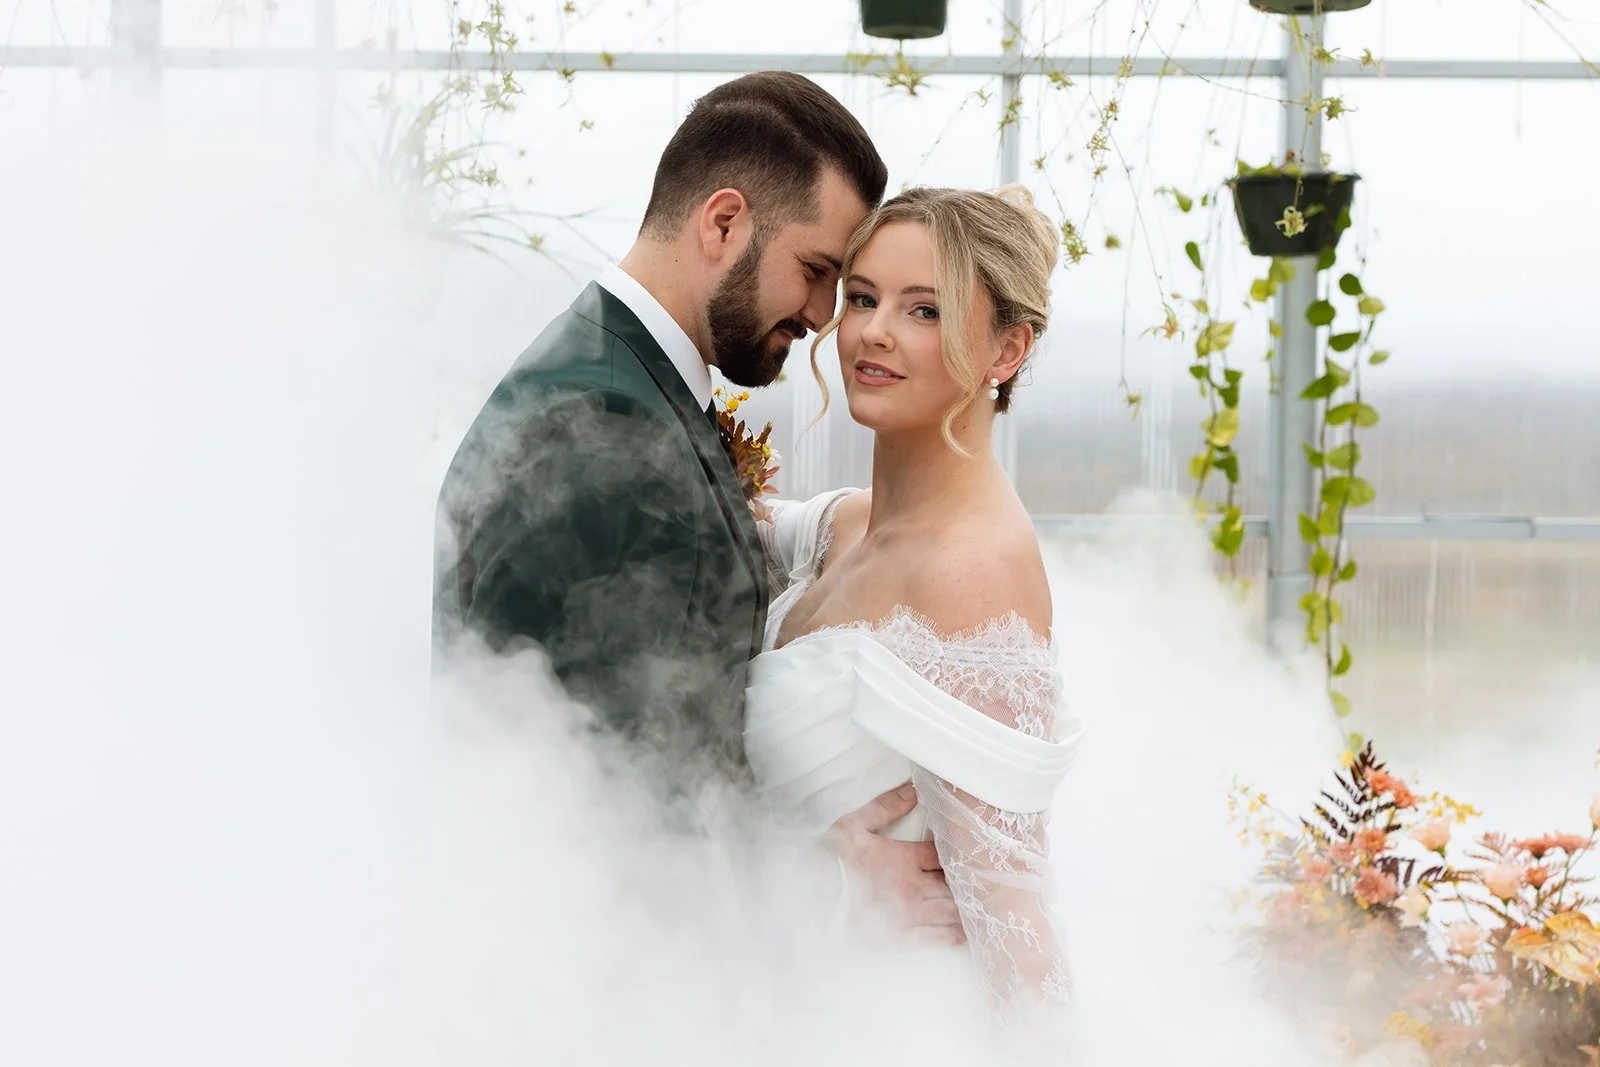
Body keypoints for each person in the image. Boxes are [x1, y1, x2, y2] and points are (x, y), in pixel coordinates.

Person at [432, 72, 963, 941]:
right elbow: (610, 807)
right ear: (723, 223)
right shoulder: (603, 432)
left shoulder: (621, 381)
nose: (827, 316)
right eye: (817, 271)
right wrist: (839, 882)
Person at [745, 185, 1085, 1022]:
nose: (873, 332)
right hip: (784, 1000)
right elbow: (712, 517)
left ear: (1007, 350)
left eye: (924, 310)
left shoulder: (970, 572)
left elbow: (1021, 940)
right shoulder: (846, 526)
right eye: (861, 298)